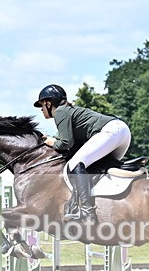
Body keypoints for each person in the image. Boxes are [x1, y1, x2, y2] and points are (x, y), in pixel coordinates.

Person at [35, 84, 131, 223]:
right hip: (122, 133)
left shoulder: (60, 112)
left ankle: (87, 212)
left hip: (111, 132)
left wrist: (51, 142)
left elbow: (65, 143)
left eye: (41, 106)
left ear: (48, 103)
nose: (42, 110)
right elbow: (74, 146)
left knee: (74, 165)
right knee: (93, 169)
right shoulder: (69, 110)